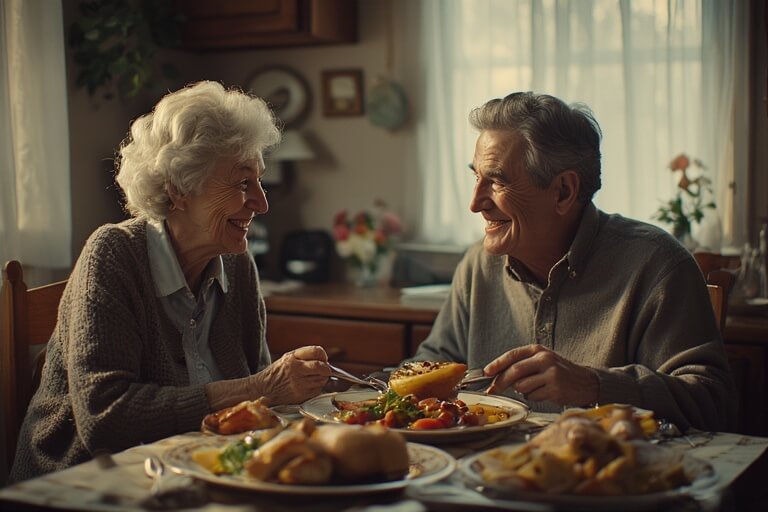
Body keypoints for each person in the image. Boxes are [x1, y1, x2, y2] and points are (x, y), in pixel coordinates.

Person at [9, 81, 331, 482]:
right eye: (243, 182)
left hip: (195, 473)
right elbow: (106, 421)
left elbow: (262, 401)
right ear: (179, 189)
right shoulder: (113, 255)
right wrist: (260, 386)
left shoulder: (237, 264)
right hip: (85, 482)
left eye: (260, 181)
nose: (261, 203)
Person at [411, 92, 735, 432]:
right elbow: (427, 367)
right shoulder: (478, 265)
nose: (475, 203)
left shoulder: (657, 265)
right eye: (475, 177)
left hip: (611, 477)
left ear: (564, 191)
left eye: (497, 180)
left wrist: (594, 385)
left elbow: (713, 403)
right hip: (490, 475)